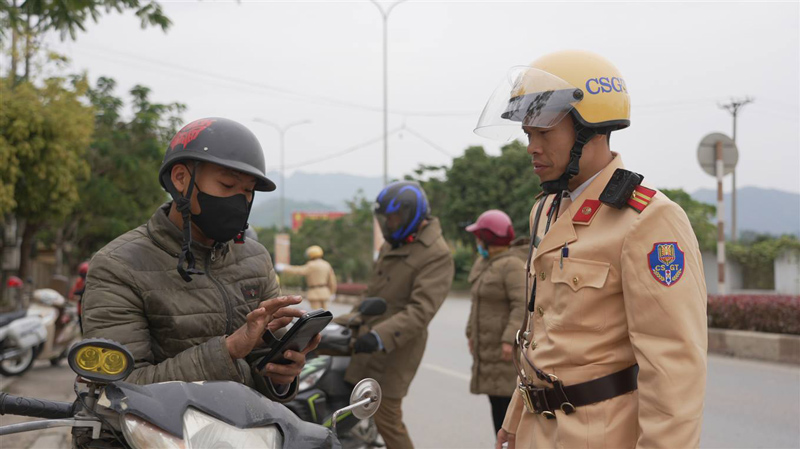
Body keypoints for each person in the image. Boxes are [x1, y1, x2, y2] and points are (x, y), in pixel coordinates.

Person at [475, 50, 708, 449]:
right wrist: (515, 417)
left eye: (545, 133)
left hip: (599, 434)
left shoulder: (648, 220)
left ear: (592, 130)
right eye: (528, 135)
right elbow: (540, 332)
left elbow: (674, 367)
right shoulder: (546, 211)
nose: (532, 147)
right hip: (537, 429)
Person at [82, 117, 319, 402]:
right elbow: (121, 387)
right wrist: (229, 349)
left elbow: (260, 367)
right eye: (228, 184)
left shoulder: (255, 258)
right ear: (181, 178)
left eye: (247, 191)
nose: (239, 201)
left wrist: (281, 374)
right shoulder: (118, 265)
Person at [335, 181, 454, 449]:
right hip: (366, 339)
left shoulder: (436, 254)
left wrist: (378, 336)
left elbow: (420, 311)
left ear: (412, 214)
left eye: (395, 217)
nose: (389, 224)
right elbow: (371, 296)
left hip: (395, 348)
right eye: (386, 218)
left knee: (386, 416)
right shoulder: (394, 244)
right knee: (348, 405)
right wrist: (334, 322)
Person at [464, 210, 526, 437]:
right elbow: (477, 303)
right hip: (488, 351)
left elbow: (520, 305)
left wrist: (509, 340)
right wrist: (471, 333)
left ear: (488, 239)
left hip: (503, 352)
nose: (477, 241)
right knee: (496, 406)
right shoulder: (486, 263)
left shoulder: (511, 265)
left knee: (507, 411)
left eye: (479, 236)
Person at [276, 245, 337, 310]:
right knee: (325, 314)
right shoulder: (326, 264)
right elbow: (332, 281)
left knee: (316, 314)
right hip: (325, 292)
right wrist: (332, 292)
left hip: (314, 293)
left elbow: (298, 270)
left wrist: (284, 268)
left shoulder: (311, 265)